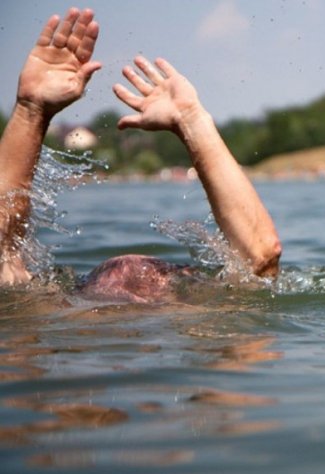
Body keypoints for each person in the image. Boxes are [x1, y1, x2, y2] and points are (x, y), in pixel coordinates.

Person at [0, 8, 281, 303]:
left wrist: (31, 112)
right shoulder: (201, 318)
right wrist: (192, 122)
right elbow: (260, 260)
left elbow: (4, 255)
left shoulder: (50, 310)